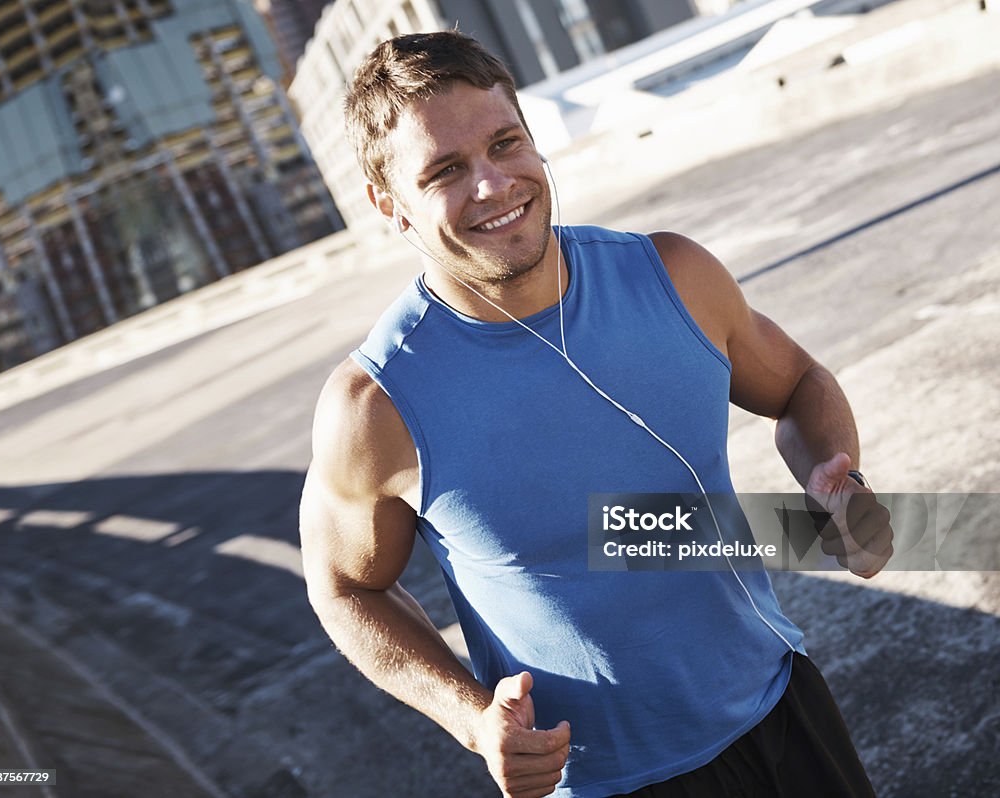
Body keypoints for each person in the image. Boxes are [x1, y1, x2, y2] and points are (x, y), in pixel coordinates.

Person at [299, 30, 894, 798]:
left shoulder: (673, 274)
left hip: (784, 710)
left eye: (506, 143)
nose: (492, 184)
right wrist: (473, 720)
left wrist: (829, 477)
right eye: (446, 170)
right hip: (605, 783)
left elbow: (799, 383)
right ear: (392, 206)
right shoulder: (375, 406)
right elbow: (344, 587)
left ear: (535, 142)